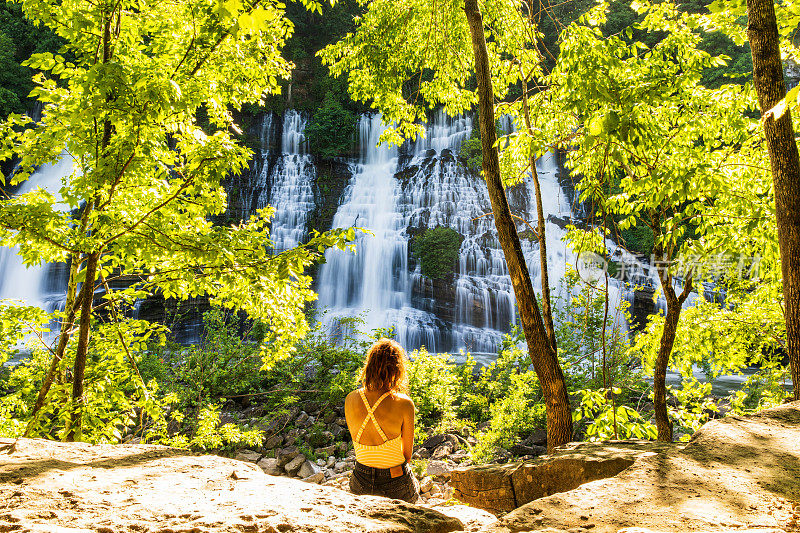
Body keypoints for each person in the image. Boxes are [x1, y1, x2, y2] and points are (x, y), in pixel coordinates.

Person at [344, 338, 420, 503]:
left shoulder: (350, 399)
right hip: (396, 482)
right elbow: (407, 456)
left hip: (360, 481)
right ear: (397, 369)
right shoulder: (404, 403)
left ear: (369, 365)